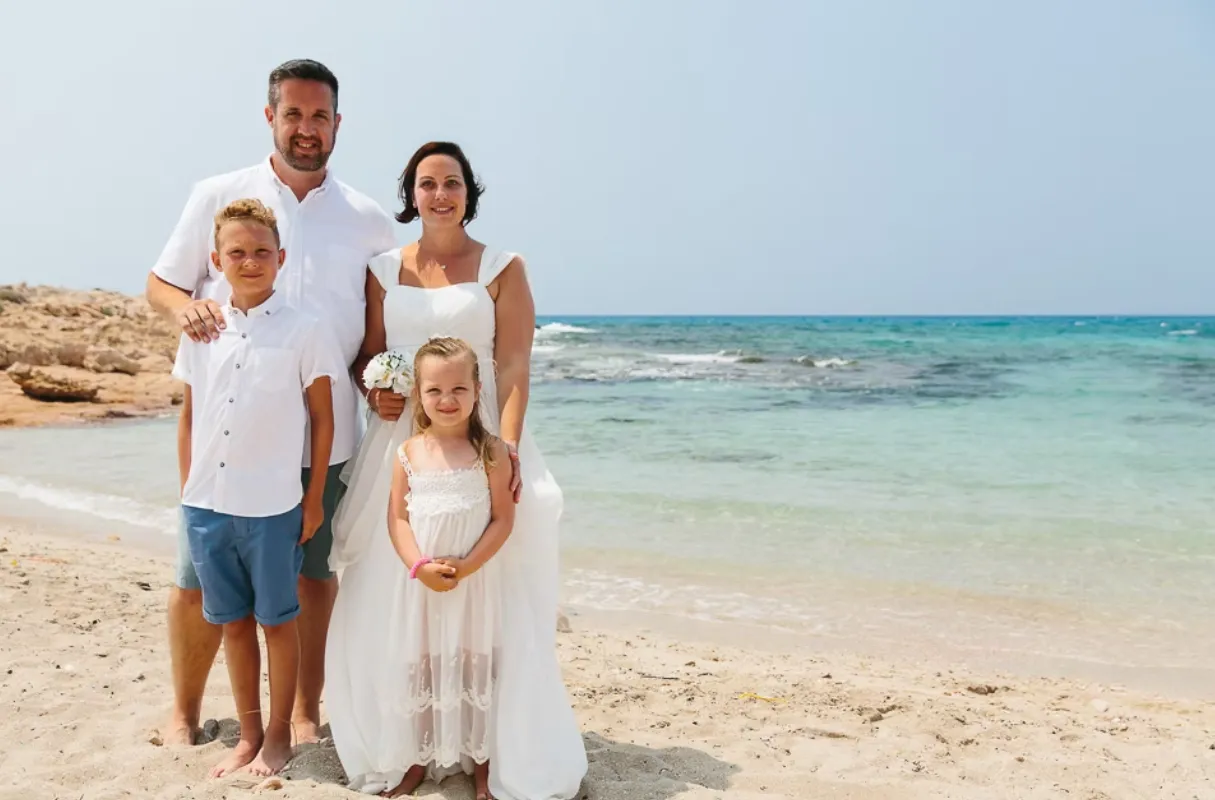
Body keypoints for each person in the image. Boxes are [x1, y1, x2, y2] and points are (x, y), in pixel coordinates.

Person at [324, 141, 588, 799]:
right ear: (409, 194)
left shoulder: (503, 267)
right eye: (426, 183)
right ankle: (409, 745)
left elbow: (514, 367)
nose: (439, 194)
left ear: (469, 191)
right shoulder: (383, 269)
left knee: (491, 600)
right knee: (393, 598)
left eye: (451, 182)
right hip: (402, 444)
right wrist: (375, 390)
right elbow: (372, 358)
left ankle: (488, 748)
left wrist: (508, 446)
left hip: (482, 438)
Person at [146, 58, 397, 746]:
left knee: (313, 577)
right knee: (197, 580)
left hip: (327, 436)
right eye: (293, 113)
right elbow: (162, 284)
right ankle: (184, 712)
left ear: (337, 124)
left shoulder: (370, 221)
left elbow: (375, 336)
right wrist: (187, 311)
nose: (306, 128)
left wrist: (382, 378)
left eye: (320, 116)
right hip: (230, 437)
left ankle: (303, 710)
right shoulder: (217, 195)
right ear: (269, 117)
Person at [174, 198, 340, 777]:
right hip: (206, 508)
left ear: (281, 258)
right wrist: (187, 494)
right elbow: (191, 415)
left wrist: (315, 498)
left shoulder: (305, 331)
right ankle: (247, 734)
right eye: (237, 252)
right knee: (233, 625)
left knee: (277, 621)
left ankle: (277, 736)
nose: (250, 261)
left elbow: (324, 420)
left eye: (261, 252)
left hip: (273, 508)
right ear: (217, 259)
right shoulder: (201, 330)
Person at [380, 336, 516, 800]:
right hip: (421, 583)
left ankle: (482, 765)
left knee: (477, 665)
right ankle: (417, 760)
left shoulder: (491, 452)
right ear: (418, 393)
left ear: (478, 390)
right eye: (435, 390)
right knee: (422, 665)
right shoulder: (409, 453)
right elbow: (397, 517)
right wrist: (418, 566)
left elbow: (503, 519)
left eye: (459, 389)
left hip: (474, 582)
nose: (447, 400)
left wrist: (467, 567)